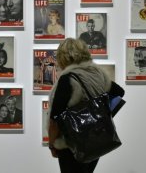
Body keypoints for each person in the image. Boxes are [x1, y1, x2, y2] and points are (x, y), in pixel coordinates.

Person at [47, 38, 124, 173]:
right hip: (96, 140)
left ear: (63, 57)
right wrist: (102, 113)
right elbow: (119, 92)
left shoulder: (68, 79)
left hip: (71, 144)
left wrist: (52, 145)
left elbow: (55, 119)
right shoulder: (98, 74)